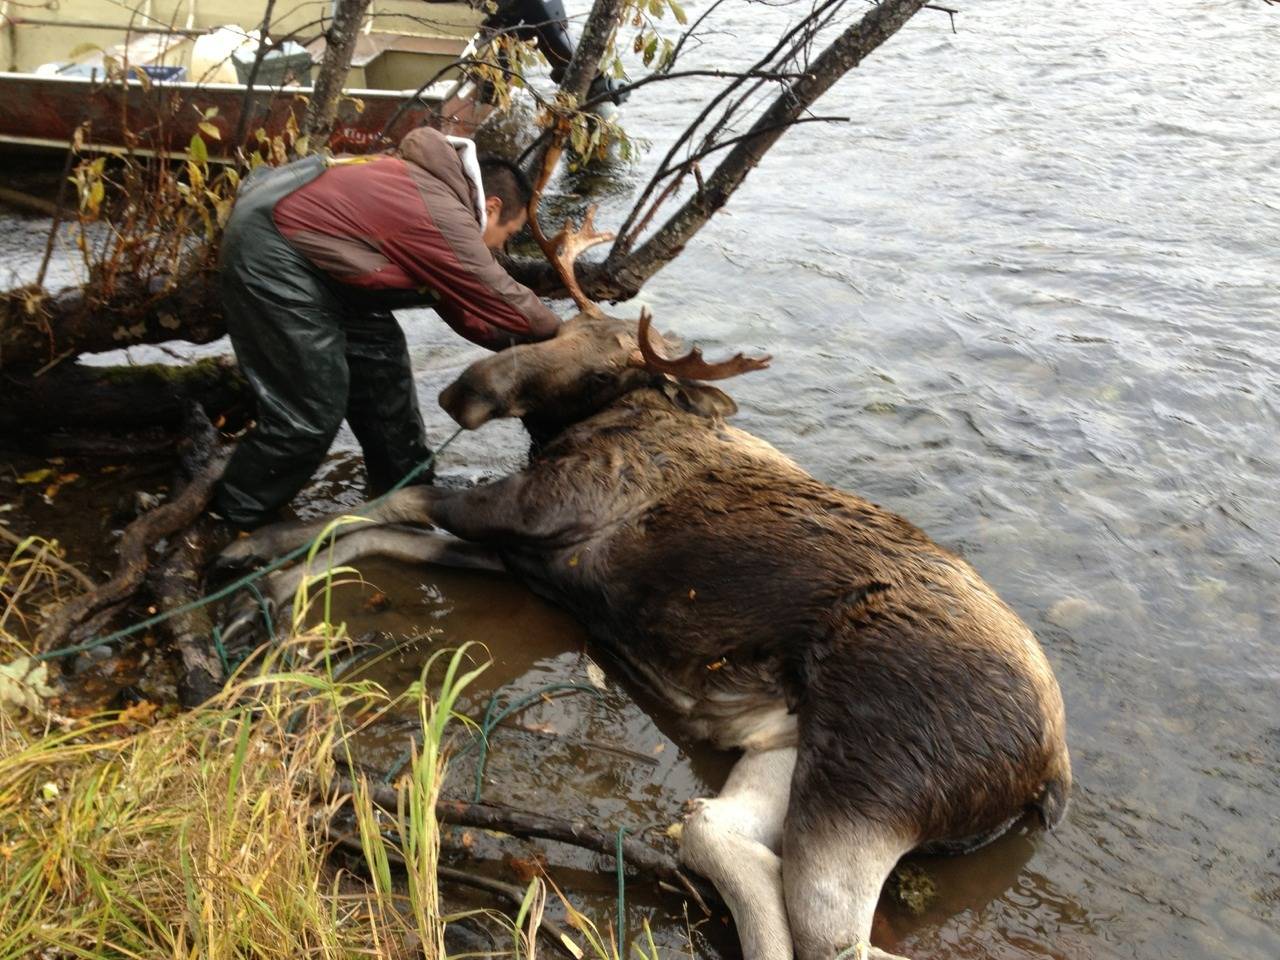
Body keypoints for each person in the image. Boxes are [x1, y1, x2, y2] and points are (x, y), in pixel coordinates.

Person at [212, 126, 560, 530]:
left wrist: (527, 345)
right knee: (310, 414)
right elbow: (497, 293)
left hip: (336, 275)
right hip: (275, 253)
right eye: (509, 234)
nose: (501, 248)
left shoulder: (438, 207)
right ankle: (235, 516)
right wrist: (567, 336)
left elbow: (468, 315)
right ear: (494, 207)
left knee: (384, 377)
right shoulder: (443, 211)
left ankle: (407, 496)